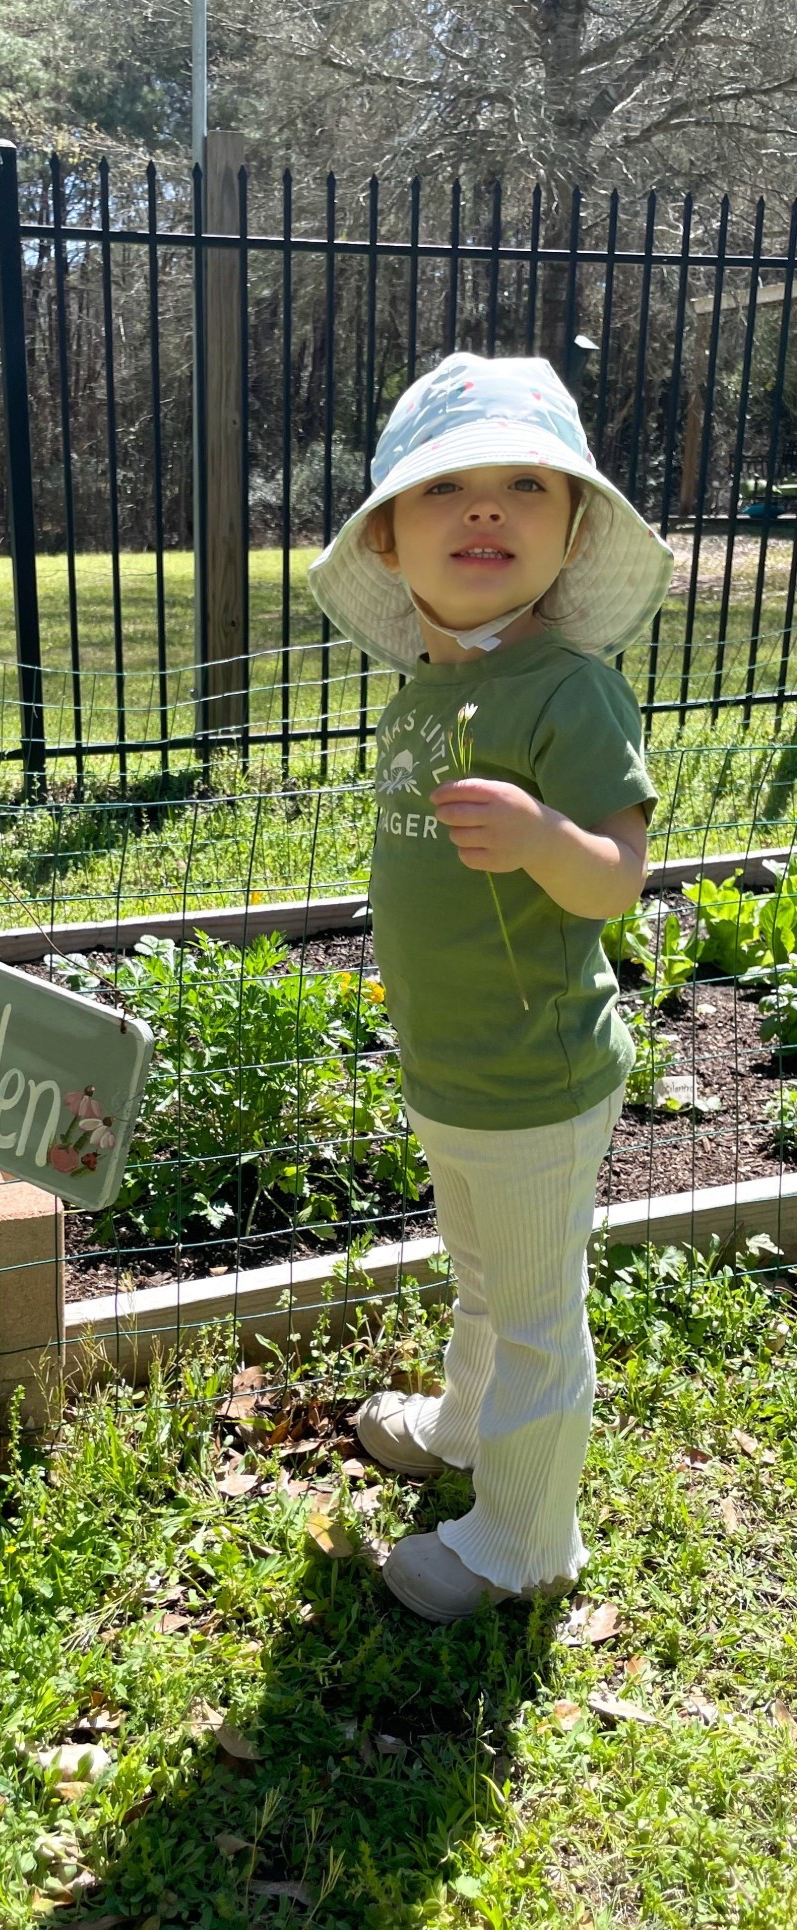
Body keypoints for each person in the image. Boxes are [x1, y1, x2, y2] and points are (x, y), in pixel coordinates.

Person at [307, 353, 674, 1623]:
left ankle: (523, 1539)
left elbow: (618, 875)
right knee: (480, 1281)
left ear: (571, 532)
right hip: (451, 1067)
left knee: (535, 1316)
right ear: (392, 538)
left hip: (534, 1074)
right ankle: (466, 1431)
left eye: (525, 483)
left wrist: (543, 843)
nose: (484, 509)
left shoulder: (569, 687)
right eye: (446, 487)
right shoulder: (429, 689)